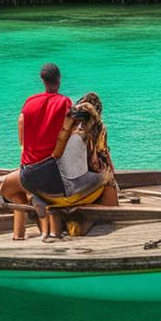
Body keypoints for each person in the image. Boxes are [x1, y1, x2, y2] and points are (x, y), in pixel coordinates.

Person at [3, 63, 73, 239]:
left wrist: (23, 147)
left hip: (28, 174)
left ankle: (18, 234)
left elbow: (21, 123)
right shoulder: (64, 102)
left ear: (42, 80)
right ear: (59, 79)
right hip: (53, 177)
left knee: (8, 189)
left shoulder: (30, 101)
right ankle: (45, 222)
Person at [36, 92, 118, 240]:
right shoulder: (94, 130)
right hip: (78, 183)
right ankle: (84, 212)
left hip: (54, 180)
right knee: (109, 184)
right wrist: (111, 172)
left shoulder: (62, 128)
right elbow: (99, 158)